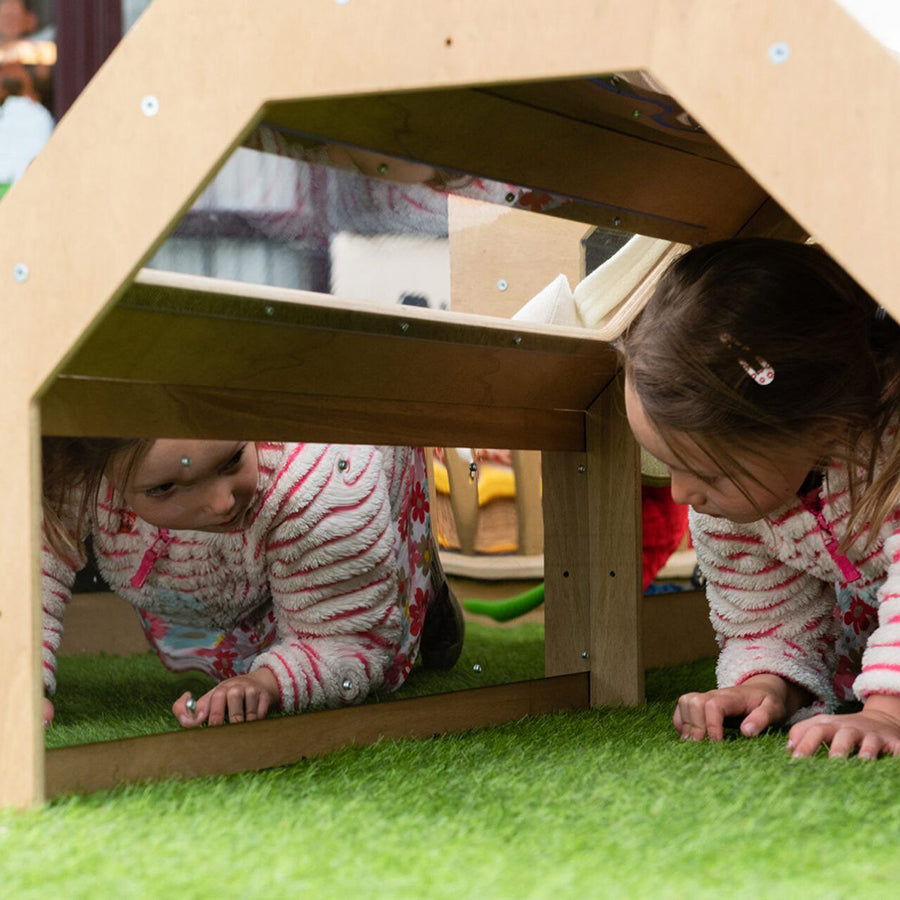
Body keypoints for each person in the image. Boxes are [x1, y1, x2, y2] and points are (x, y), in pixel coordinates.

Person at [619, 237, 900, 759]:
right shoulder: (733, 509)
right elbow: (767, 616)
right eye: (668, 466)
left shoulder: (888, 459)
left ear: (820, 426)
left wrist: (888, 710)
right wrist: (765, 682)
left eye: (708, 472)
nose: (682, 493)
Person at [41, 439, 463, 729]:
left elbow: (346, 637)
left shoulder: (318, 478)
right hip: (208, 581)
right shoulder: (82, 465)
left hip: (340, 535)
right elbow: (31, 563)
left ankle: (429, 595)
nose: (222, 502)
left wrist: (269, 684)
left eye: (231, 461)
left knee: (376, 601)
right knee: (236, 657)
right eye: (165, 488)